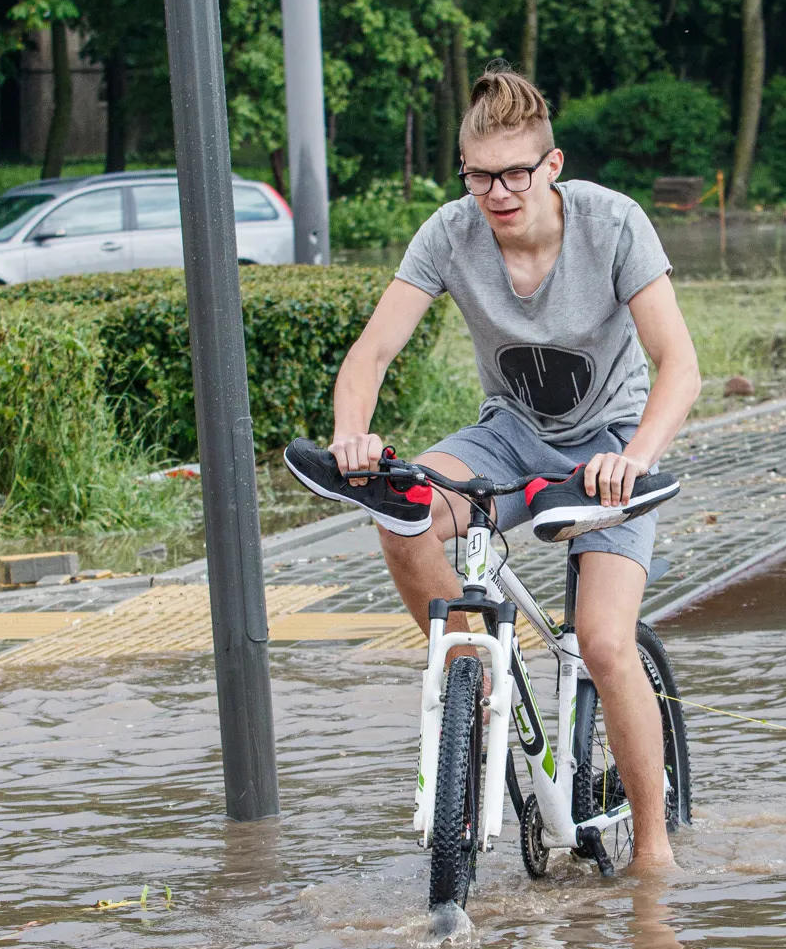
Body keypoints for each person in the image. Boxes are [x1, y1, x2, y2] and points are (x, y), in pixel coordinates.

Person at [286, 65, 702, 871]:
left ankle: (654, 853)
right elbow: (371, 352)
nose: (498, 192)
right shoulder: (450, 231)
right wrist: (353, 436)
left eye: (515, 172)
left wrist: (635, 457)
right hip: (508, 436)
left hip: (610, 445)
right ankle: (469, 673)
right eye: (481, 175)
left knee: (606, 646)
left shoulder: (613, 224)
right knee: (400, 509)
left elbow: (678, 363)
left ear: (551, 166)